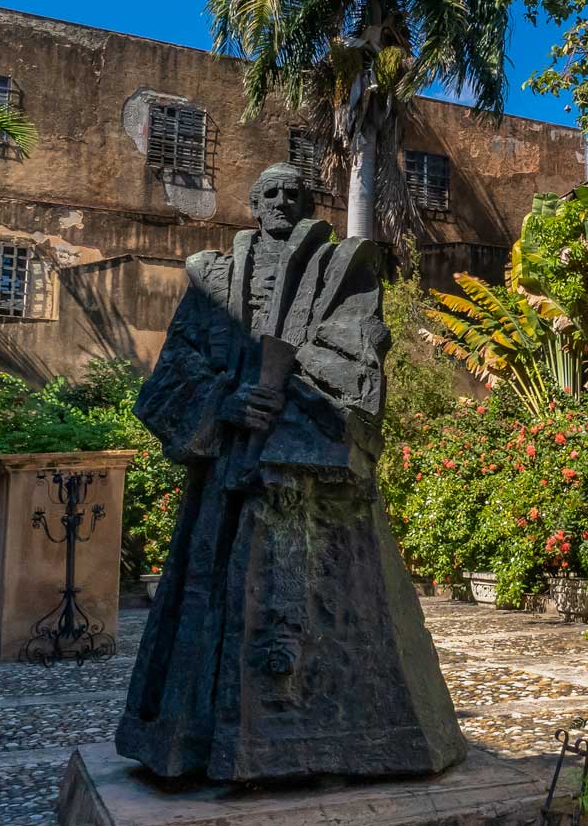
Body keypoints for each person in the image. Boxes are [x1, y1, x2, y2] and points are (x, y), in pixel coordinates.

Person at [115, 163, 465, 781]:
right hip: (228, 467)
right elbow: (174, 366)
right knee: (211, 600)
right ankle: (193, 743)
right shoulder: (212, 279)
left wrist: (292, 383)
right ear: (251, 204)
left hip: (308, 461)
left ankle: (346, 740)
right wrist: (224, 404)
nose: (280, 200)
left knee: (333, 605)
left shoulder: (342, 269)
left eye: (292, 193)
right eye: (268, 192)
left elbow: (361, 347)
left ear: (306, 203)